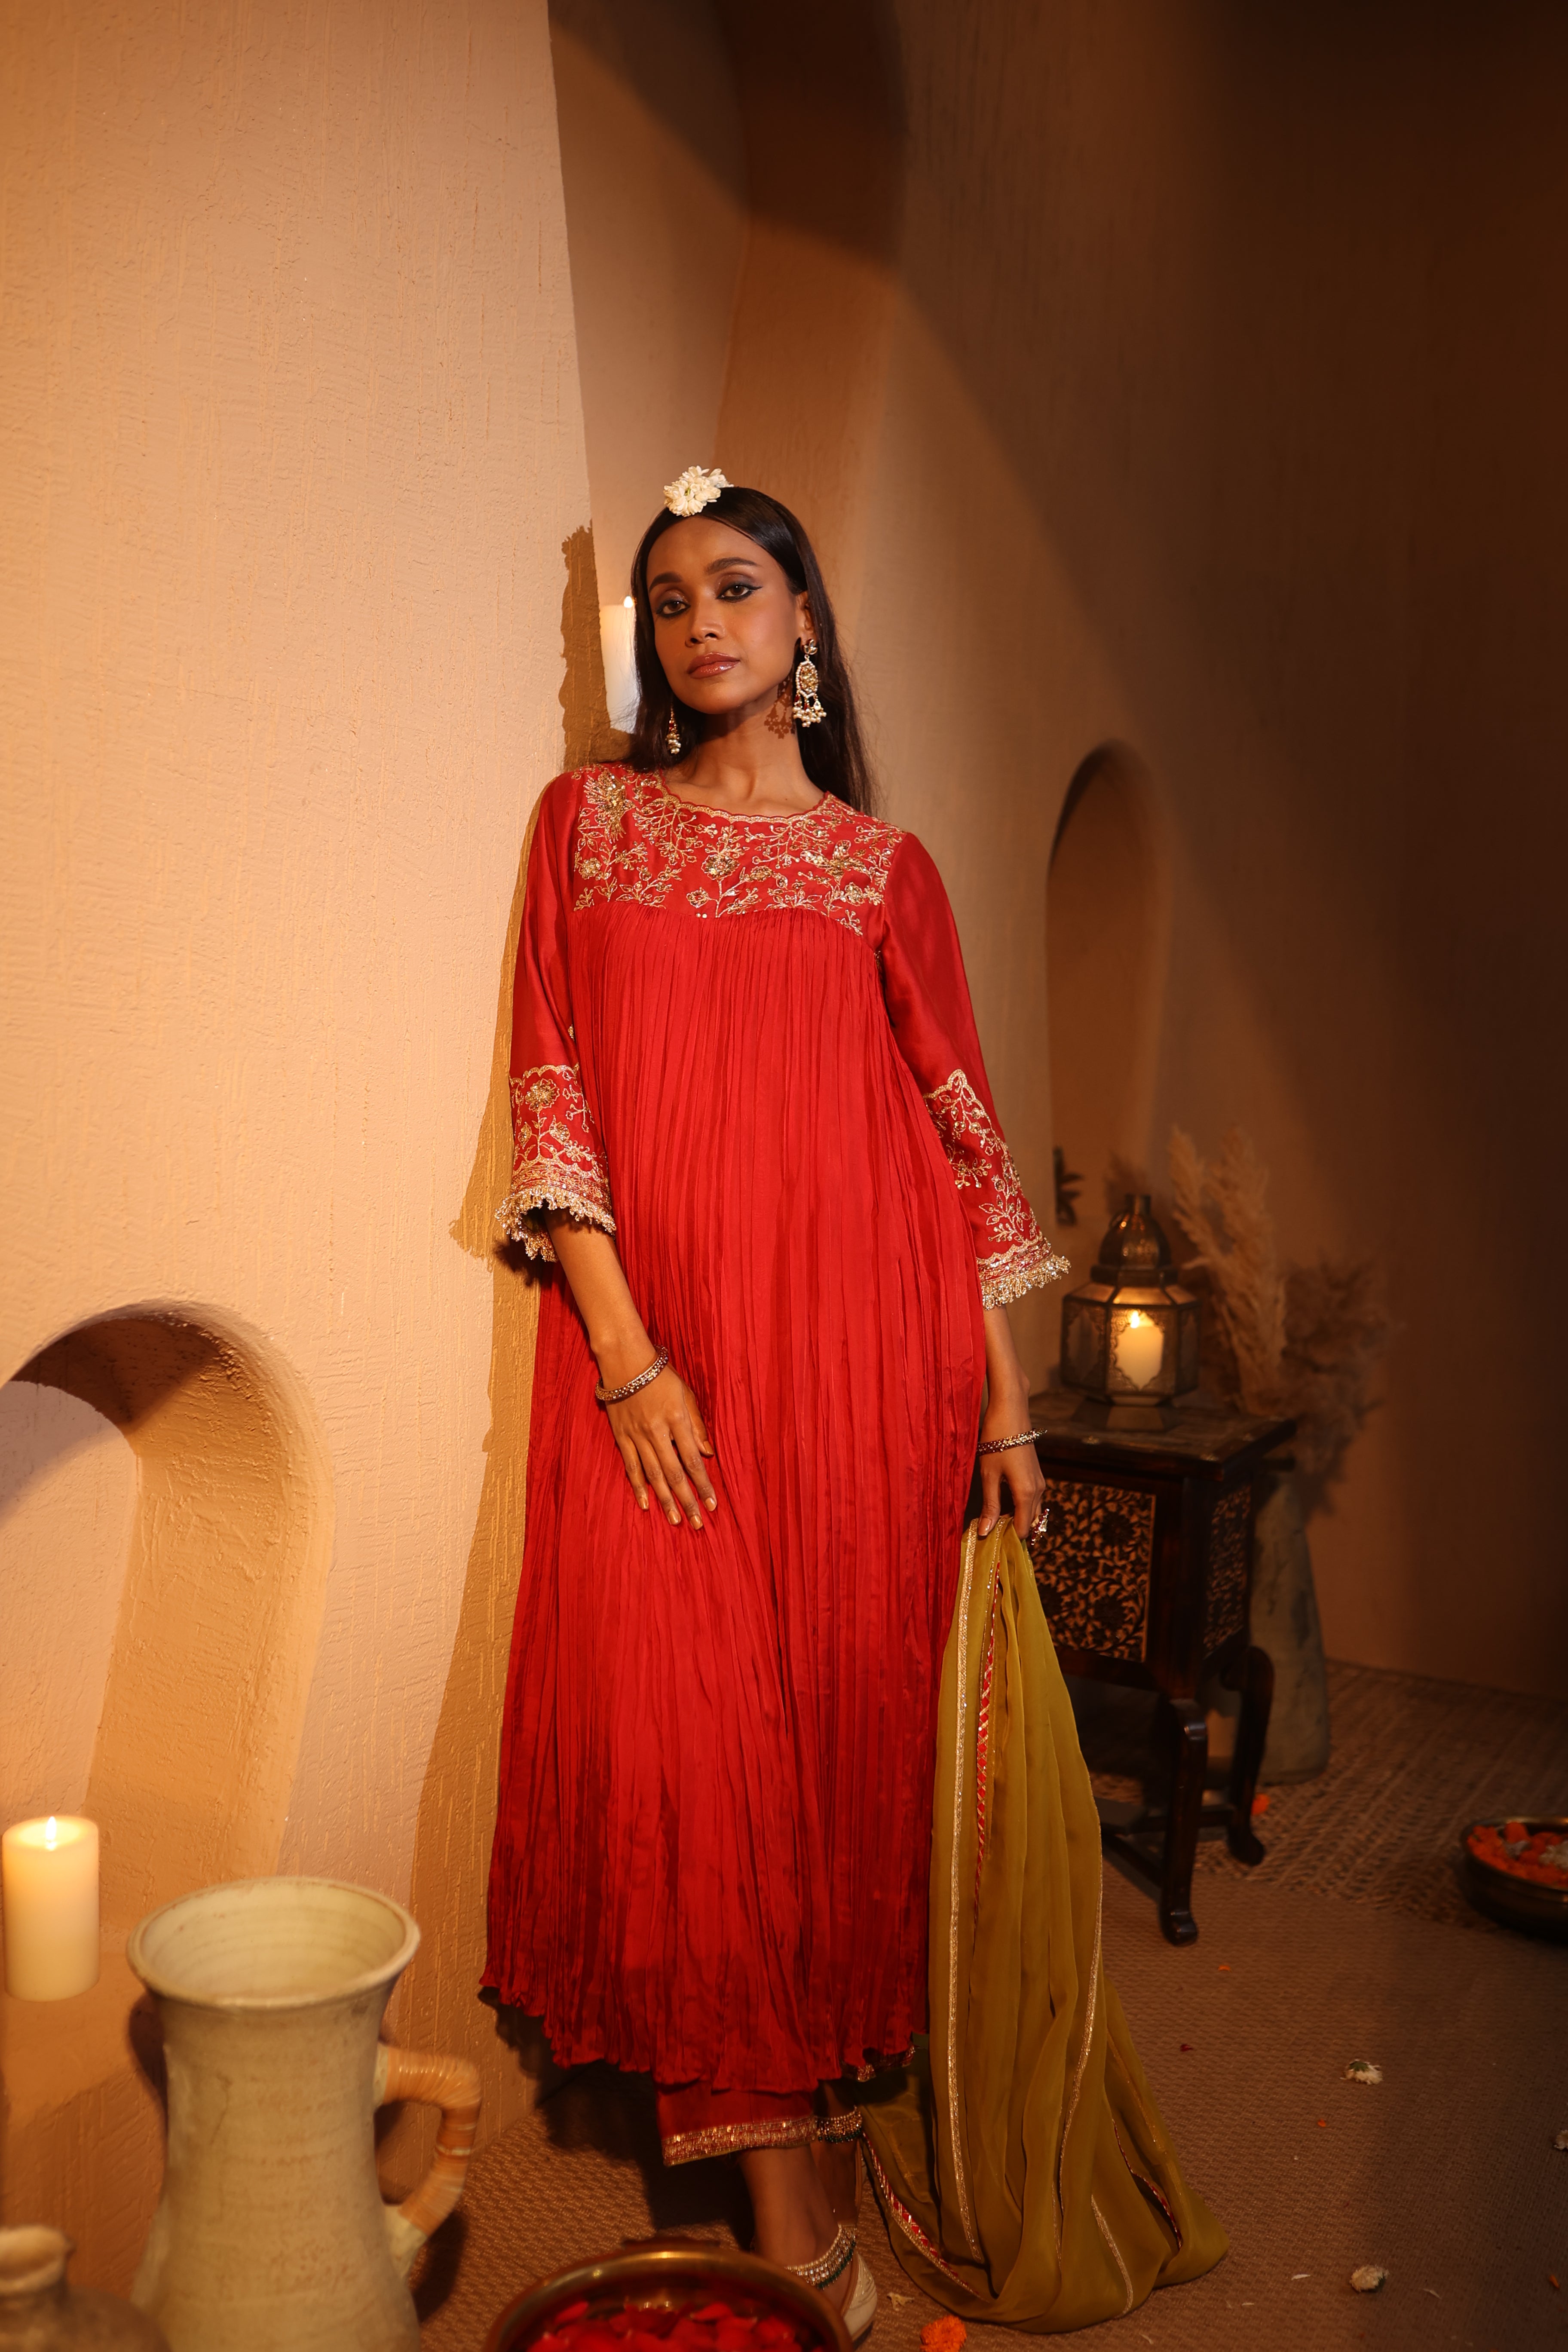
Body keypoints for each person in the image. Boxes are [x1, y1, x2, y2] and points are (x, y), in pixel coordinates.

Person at [485, 466, 1067, 2338]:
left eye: (738, 588)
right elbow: (551, 1088)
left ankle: (792, 2164)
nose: (701, 622)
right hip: (662, 1358)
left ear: (805, 624)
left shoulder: (885, 873)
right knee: (691, 1743)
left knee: (815, 1750)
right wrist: (628, 1350)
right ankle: (790, 2215)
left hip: (862, 1369)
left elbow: (968, 1151)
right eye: (669, 601)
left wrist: (1001, 1414)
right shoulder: (586, 824)